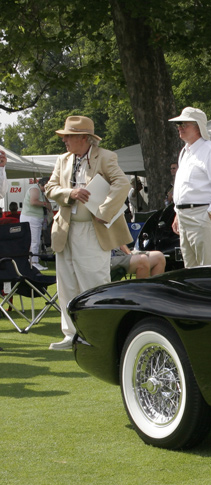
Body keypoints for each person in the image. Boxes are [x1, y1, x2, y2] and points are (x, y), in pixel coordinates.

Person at [44, 115, 132, 351]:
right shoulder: (62, 160)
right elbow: (50, 188)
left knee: (93, 282)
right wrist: (69, 193)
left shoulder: (105, 156)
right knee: (66, 284)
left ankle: (100, 335)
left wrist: (104, 211)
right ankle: (71, 335)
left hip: (93, 230)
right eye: (64, 137)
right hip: (65, 229)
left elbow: (122, 184)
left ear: (84, 138)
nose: (65, 141)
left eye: (69, 137)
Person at [169, 107, 211, 268]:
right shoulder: (184, 152)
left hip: (202, 215)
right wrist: (177, 212)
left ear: (198, 127)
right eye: (179, 124)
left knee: (208, 268)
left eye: (184, 124)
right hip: (185, 217)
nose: (180, 127)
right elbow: (184, 188)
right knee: (190, 268)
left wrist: (209, 215)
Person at [21, 178, 49, 269]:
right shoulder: (35, 189)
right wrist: (45, 204)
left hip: (34, 218)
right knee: (34, 241)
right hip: (32, 219)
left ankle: (32, 261)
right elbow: (33, 201)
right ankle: (34, 263)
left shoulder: (39, 190)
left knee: (35, 240)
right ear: (45, 184)